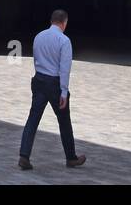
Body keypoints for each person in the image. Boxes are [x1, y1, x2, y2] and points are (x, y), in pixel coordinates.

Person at [18, 9, 86, 171]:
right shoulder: (64, 40)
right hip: (54, 83)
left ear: (51, 21)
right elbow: (65, 68)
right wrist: (64, 91)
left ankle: (24, 155)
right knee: (64, 121)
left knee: (33, 119)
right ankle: (71, 158)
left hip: (39, 79)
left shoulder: (39, 36)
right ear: (64, 23)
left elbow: (36, 59)